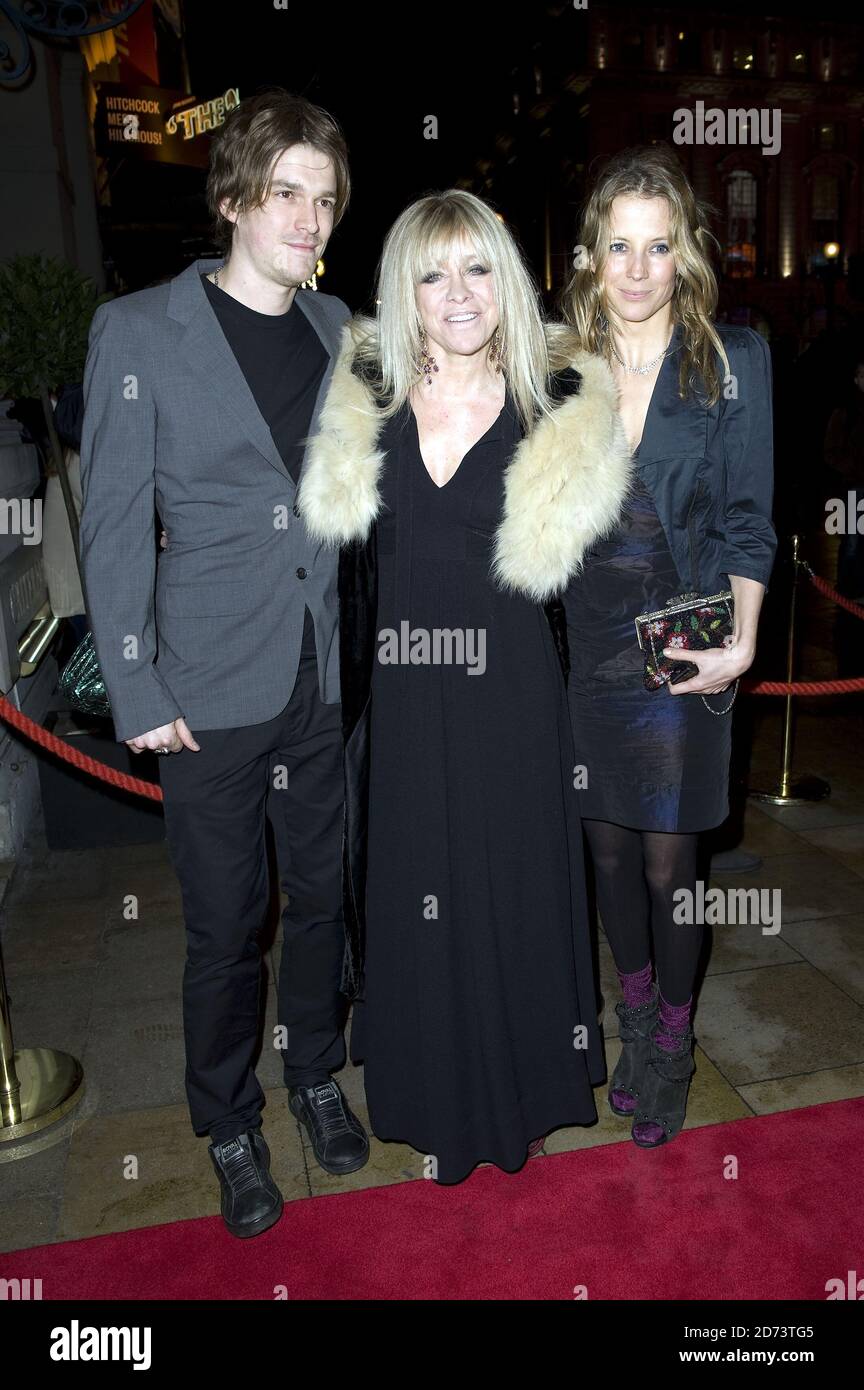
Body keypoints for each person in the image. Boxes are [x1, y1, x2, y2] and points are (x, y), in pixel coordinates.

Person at [79, 88, 369, 1240]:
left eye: (327, 199)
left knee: (322, 899)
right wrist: (138, 688)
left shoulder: (338, 325)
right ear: (237, 196)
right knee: (224, 921)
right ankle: (230, 1120)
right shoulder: (140, 333)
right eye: (288, 192)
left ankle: (313, 1077)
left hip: (319, 671)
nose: (308, 217)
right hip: (204, 686)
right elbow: (109, 524)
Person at [298, 189, 632, 1183]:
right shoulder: (363, 394)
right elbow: (325, 569)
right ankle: (435, 1096)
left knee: (517, 886)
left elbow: (615, 575)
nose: (457, 292)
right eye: (433, 271)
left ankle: (525, 1087)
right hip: (403, 700)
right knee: (418, 889)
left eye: (478, 267)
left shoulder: (562, 397)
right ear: (403, 286)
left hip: (519, 700)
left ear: (509, 280)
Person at [561, 144, 776, 1148]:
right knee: (604, 849)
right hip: (587, 641)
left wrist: (741, 640)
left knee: (666, 857)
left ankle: (675, 1044)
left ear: (685, 253)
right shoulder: (561, 365)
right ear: (593, 255)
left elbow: (746, 519)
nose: (638, 268)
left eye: (659, 246)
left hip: (682, 639)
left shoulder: (732, 360)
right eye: (620, 246)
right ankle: (634, 1017)